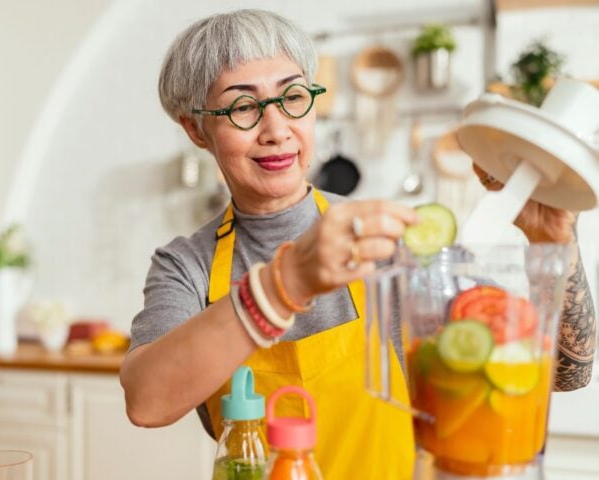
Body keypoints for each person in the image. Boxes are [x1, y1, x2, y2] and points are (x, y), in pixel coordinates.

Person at [120, 9, 596, 478]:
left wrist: (554, 241)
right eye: (243, 107)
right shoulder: (187, 266)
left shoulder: (387, 237)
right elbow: (147, 401)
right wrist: (286, 284)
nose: (277, 129)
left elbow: (565, 372)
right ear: (195, 128)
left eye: (293, 96)